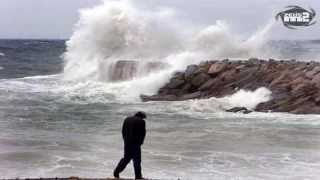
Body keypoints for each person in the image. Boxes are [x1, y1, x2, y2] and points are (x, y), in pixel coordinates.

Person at [114, 111, 147, 179]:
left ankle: (116, 172)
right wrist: (140, 143)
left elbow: (123, 131)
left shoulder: (127, 119)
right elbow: (142, 133)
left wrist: (125, 140)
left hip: (127, 142)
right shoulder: (141, 121)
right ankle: (138, 177)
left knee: (126, 159)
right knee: (137, 160)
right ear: (141, 116)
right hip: (135, 144)